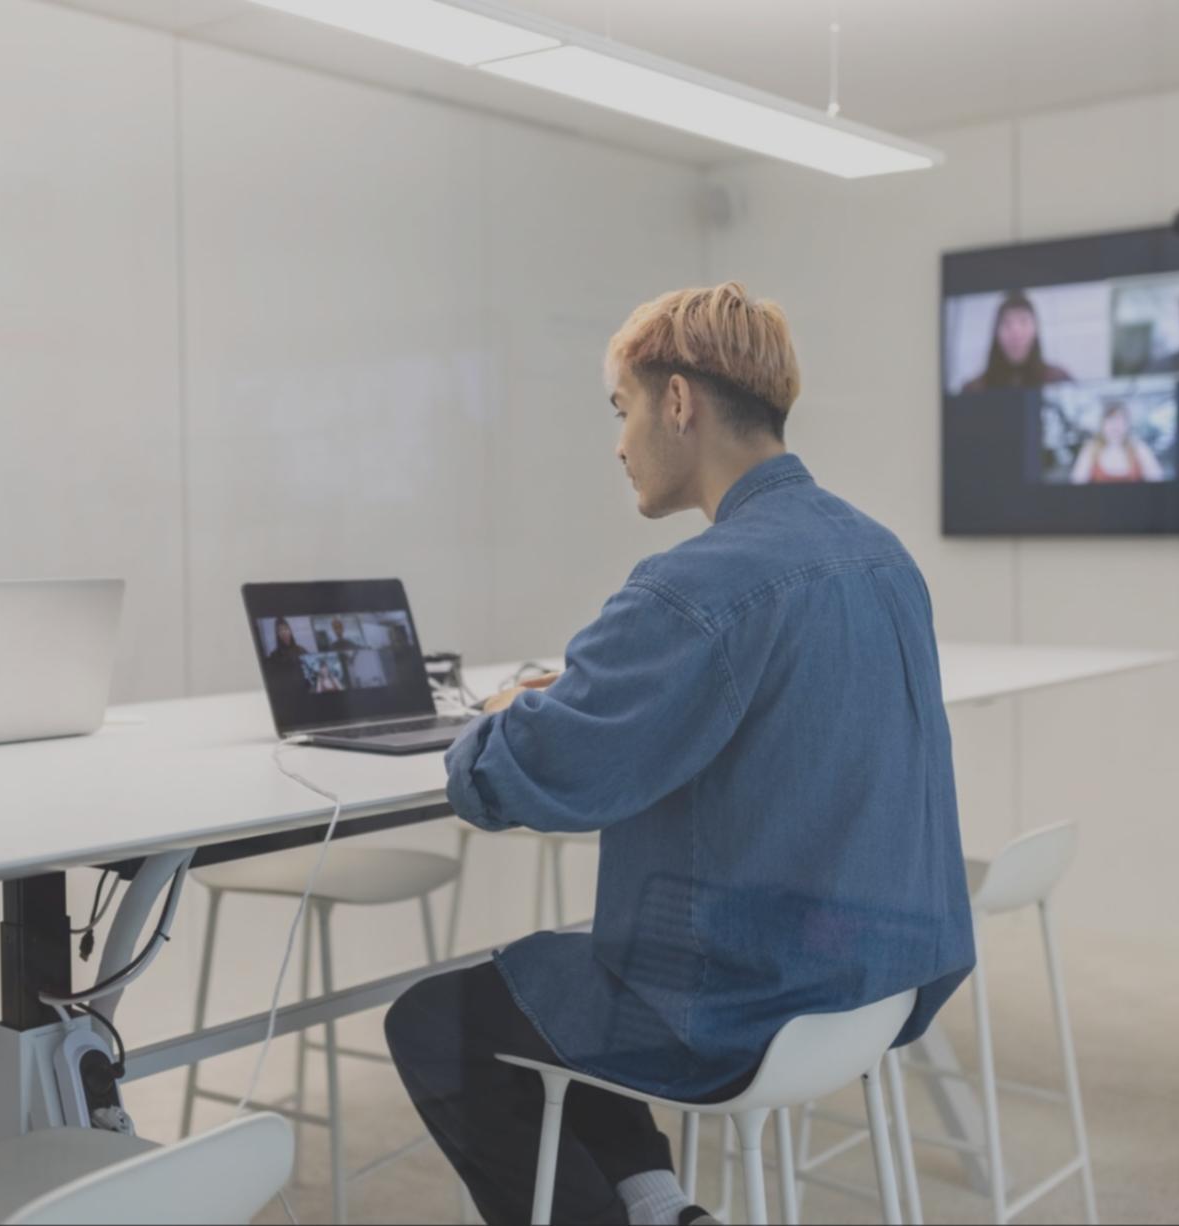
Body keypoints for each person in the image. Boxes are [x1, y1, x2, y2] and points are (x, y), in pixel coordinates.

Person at [384, 283, 975, 1226]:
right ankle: (661, 1204)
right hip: (877, 976)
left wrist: (495, 716)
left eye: (621, 411)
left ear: (678, 402)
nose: (618, 445)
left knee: (441, 1019)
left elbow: (508, 781)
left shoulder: (694, 585)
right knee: (557, 974)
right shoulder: (884, 555)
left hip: (745, 1005)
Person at [960, 290, 1073, 392]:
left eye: (1023, 321)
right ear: (996, 333)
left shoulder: (1059, 381)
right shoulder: (974, 389)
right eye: (1007, 323)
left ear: (1035, 330)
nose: (1016, 334)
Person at [1069, 400, 1163, 484]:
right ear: (1102, 424)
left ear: (1127, 424)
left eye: (1120, 419)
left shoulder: (1138, 447)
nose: (1115, 425)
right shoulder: (1091, 449)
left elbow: (1158, 481)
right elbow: (1077, 484)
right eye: (1110, 420)